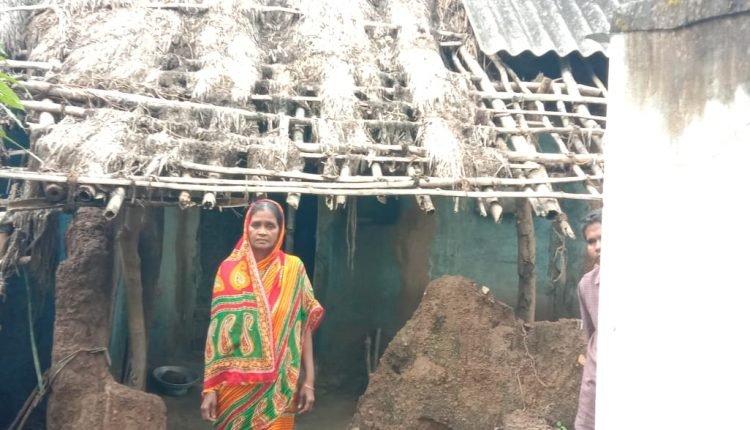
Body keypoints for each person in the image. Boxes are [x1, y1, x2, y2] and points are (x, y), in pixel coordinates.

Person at [200, 199, 324, 430]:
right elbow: (216, 336)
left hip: (280, 385)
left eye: (270, 226)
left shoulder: (293, 269)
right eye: (256, 225)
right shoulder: (228, 270)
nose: (262, 232)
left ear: (280, 230)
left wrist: (309, 381)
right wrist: (210, 388)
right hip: (234, 387)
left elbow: (303, 327)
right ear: (246, 227)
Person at [575, 208, 601, 430]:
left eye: (603, 238)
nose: (598, 246)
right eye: (591, 241)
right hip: (596, 380)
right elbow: (591, 334)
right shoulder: (587, 285)